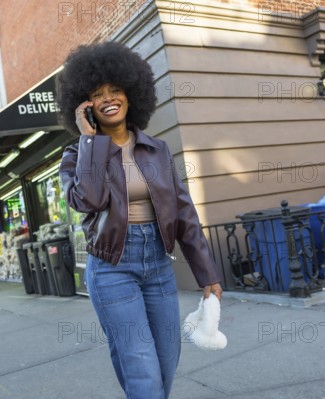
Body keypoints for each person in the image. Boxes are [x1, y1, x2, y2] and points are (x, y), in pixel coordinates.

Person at [57, 42, 223, 399]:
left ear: (131, 94)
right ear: (85, 106)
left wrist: (207, 274)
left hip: (158, 266)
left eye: (115, 89)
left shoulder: (156, 149)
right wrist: (90, 140)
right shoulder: (76, 155)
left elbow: (183, 213)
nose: (108, 99)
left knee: (166, 361)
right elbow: (89, 200)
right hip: (112, 268)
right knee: (141, 367)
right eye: (97, 94)